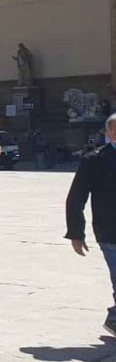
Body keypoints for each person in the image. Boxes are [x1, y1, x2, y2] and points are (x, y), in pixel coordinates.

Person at [66, 113, 116, 338]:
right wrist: (76, 233)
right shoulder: (94, 160)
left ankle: (114, 317)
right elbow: (76, 198)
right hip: (110, 231)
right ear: (108, 133)